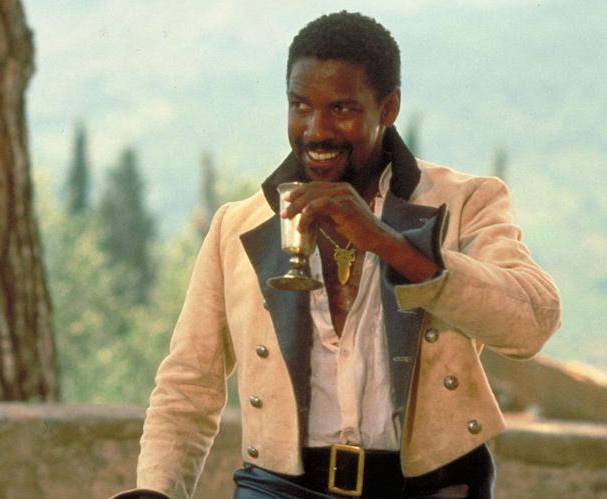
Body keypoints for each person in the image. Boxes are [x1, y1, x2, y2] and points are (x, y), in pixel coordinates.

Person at [114, 10, 560, 499]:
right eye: (300, 106)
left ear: (388, 108)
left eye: (341, 109)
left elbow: (534, 322)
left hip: (434, 489)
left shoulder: (465, 202)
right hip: (279, 490)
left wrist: (392, 244)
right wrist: (157, 491)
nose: (316, 130)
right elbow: (188, 387)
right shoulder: (237, 226)